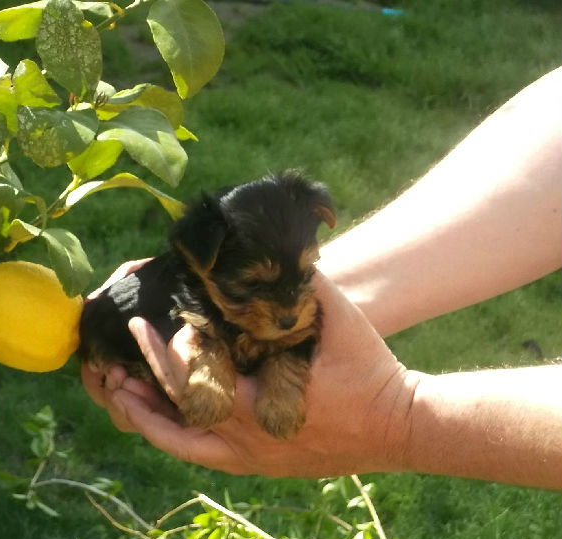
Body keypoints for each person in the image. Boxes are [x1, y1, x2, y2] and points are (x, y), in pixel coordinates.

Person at [81, 66, 562, 490]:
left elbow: (294, 346)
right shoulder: (196, 272)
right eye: (251, 287)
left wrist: (395, 419)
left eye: (306, 273)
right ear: (197, 260)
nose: (290, 308)